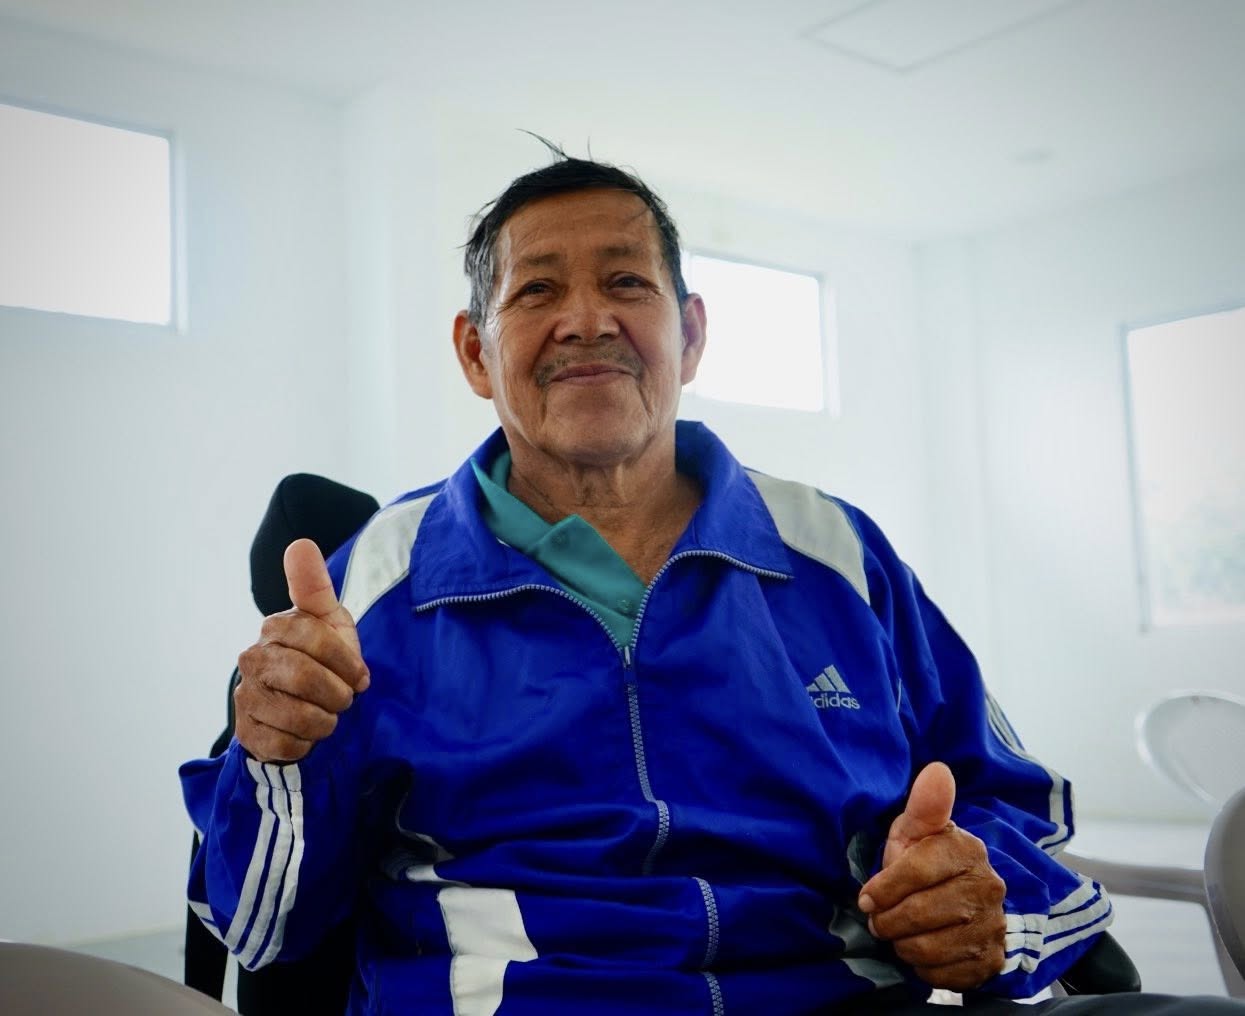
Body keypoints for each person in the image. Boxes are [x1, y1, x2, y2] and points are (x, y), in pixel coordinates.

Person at [182, 150, 1242, 1015]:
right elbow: (264, 930)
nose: (586, 319)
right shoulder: (378, 580)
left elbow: (1015, 807)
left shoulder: (837, 552)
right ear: (474, 352)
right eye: (537, 289)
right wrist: (275, 760)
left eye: (626, 282)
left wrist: (990, 904)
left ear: (689, 334)